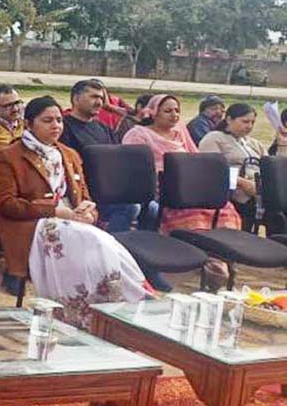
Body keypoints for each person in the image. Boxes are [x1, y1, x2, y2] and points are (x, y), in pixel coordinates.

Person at [0, 97, 150, 326]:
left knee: (99, 245)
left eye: (58, 120)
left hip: (72, 222)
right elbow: (7, 204)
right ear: (28, 124)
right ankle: (82, 313)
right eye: (47, 121)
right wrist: (56, 211)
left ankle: (109, 310)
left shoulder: (69, 155)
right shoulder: (8, 156)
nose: (56, 125)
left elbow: (84, 197)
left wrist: (88, 212)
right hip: (32, 224)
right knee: (94, 239)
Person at [122, 94, 242, 289]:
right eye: (168, 111)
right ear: (153, 113)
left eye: (177, 110)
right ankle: (201, 261)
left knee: (223, 208)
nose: (174, 115)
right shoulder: (139, 134)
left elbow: (195, 159)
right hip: (160, 190)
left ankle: (216, 257)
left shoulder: (180, 132)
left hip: (189, 187)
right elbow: (135, 168)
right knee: (191, 213)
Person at [59, 80, 142, 234]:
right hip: (85, 192)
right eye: (94, 97)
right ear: (76, 99)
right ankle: (109, 248)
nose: (99, 102)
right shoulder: (64, 128)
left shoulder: (104, 129)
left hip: (111, 189)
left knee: (149, 206)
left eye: (102, 99)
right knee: (130, 207)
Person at [199, 103, 279, 233]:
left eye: (252, 122)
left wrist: (282, 144)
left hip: (260, 194)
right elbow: (212, 169)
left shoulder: (253, 143)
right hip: (232, 195)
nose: (249, 126)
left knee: (279, 214)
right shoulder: (214, 138)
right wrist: (244, 183)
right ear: (229, 119)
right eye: (245, 121)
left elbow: (272, 167)